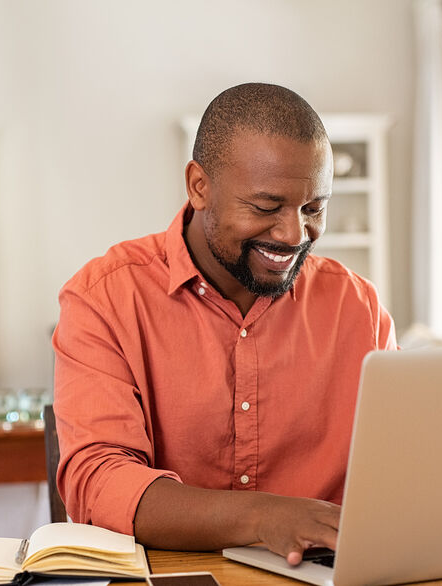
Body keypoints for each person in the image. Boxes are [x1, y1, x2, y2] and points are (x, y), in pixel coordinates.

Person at [52, 82, 397, 565]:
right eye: (265, 207)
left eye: (313, 208)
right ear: (199, 186)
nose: (294, 234)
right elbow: (99, 481)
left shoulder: (358, 308)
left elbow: (397, 472)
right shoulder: (104, 298)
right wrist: (262, 517)